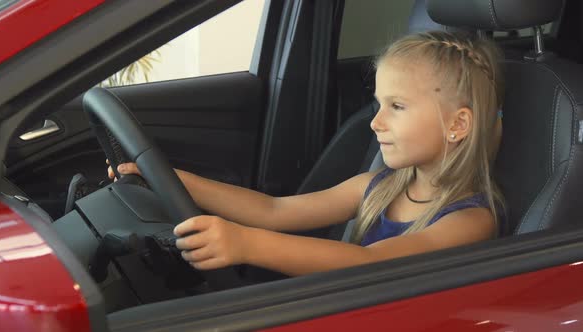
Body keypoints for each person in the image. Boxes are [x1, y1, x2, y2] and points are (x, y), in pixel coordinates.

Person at [108, 31, 505, 277]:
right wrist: (173, 180)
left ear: (457, 125)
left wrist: (247, 245)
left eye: (396, 107)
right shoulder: (377, 186)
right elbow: (274, 211)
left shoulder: (469, 220)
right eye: (378, 104)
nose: (375, 122)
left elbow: (370, 265)